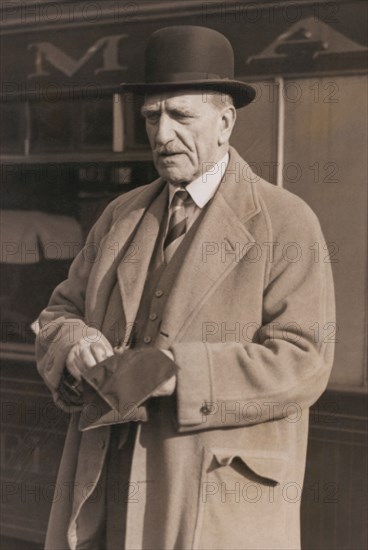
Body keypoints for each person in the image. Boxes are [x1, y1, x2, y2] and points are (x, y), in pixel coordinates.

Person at [36, 26, 335, 550]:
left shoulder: (287, 222)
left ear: (225, 122)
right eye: (152, 117)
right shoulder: (120, 216)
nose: (163, 134)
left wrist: (177, 375)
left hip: (213, 504)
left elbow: (304, 361)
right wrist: (74, 344)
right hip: (106, 491)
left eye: (181, 116)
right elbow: (60, 311)